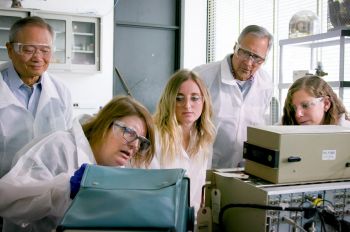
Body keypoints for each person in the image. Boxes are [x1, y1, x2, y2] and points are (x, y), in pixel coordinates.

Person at [0, 95, 155, 232]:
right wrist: (64, 189)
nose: (135, 146)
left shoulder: (120, 170)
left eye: (141, 142)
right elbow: (7, 200)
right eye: (130, 133)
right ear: (105, 124)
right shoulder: (59, 147)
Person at [0, 16, 73, 177]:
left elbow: (66, 145)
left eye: (45, 50)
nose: (38, 57)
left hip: (46, 189)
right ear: (10, 50)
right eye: (28, 49)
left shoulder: (62, 92)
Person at [193, 25, 274, 168]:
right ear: (235, 47)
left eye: (257, 58)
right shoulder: (202, 76)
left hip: (244, 170)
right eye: (244, 53)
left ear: (264, 59)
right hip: (205, 167)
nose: (249, 63)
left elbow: (259, 128)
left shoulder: (266, 83)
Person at [150, 69, 216, 212]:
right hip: (159, 219)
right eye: (179, 98)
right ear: (169, 101)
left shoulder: (204, 139)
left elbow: (200, 191)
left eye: (194, 98)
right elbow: (149, 191)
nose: (187, 105)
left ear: (203, 101)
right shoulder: (154, 136)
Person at [282, 75, 350, 126]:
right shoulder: (284, 127)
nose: (298, 114)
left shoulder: (346, 134)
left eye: (305, 105)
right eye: (294, 108)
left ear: (326, 104)